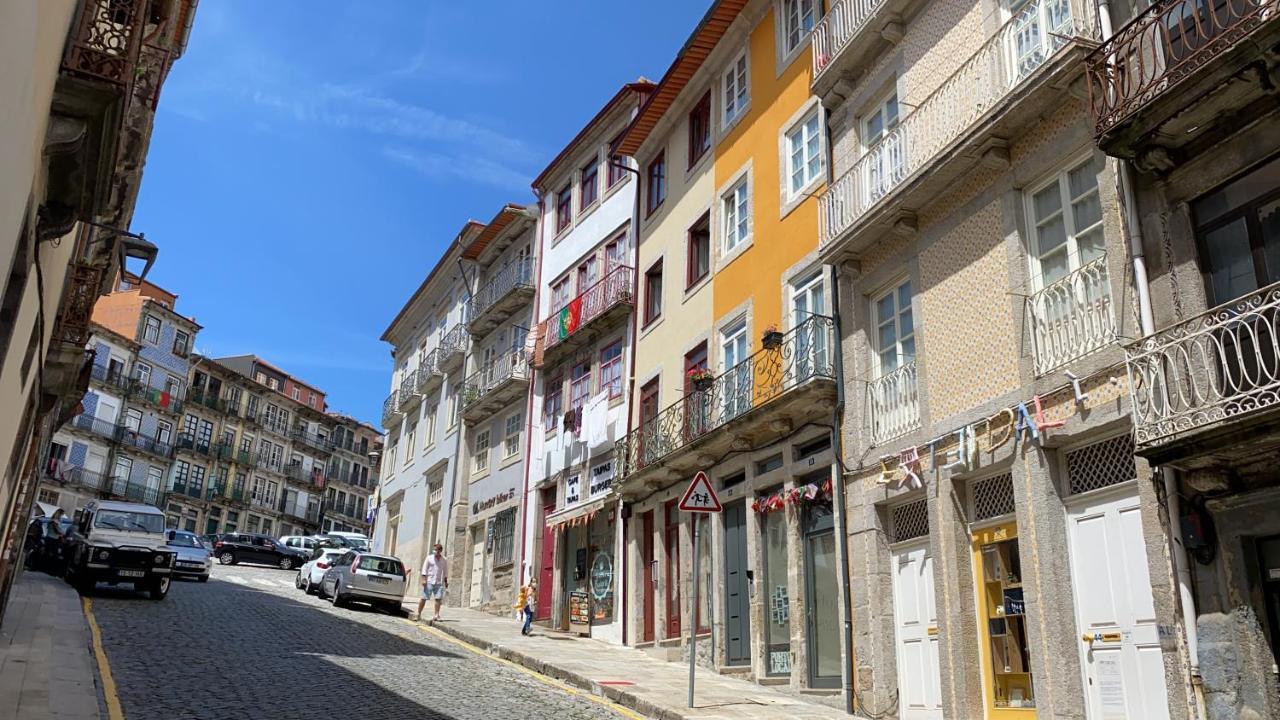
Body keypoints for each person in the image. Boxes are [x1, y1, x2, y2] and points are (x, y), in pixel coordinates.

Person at [416, 543, 448, 623]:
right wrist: (424, 579)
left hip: (438, 582)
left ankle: (436, 615)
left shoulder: (444, 560)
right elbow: (424, 569)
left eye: (436, 550)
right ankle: (418, 613)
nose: (434, 551)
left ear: (440, 551)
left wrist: (446, 581)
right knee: (424, 598)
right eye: (434, 550)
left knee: (438, 599)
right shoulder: (429, 558)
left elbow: (445, 571)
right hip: (429, 581)